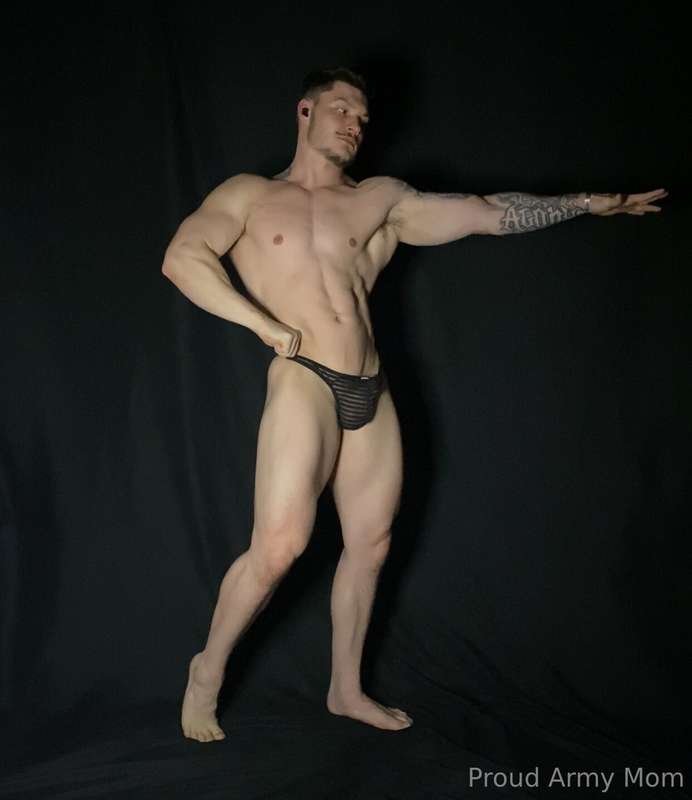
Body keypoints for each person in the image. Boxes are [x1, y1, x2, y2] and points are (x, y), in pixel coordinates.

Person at [161, 67, 667, 742]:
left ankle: (345, 689)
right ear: (305, 110)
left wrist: (584, 202)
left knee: (371, 545)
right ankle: (208, 670)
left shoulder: (381, 199)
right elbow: (183, 258)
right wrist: (261, 324)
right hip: (304, 374)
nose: (355, 123)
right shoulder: (250, 195)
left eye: (363, 117)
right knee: (281, 545)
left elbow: (486, 211)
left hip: (371, 386)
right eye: (343, 109)